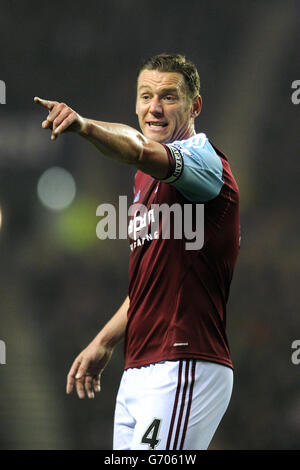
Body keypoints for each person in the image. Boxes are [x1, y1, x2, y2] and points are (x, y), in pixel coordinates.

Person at [34, 53, 240, 450]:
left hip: (184, 361)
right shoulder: (144, 181)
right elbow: (151, 284)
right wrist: (105, 340)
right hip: (139, 367)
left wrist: (84, 125)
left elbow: (141, 149)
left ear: (194, 105)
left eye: (168, 96)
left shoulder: (203, 161)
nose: (155, 108)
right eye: (146, 96)